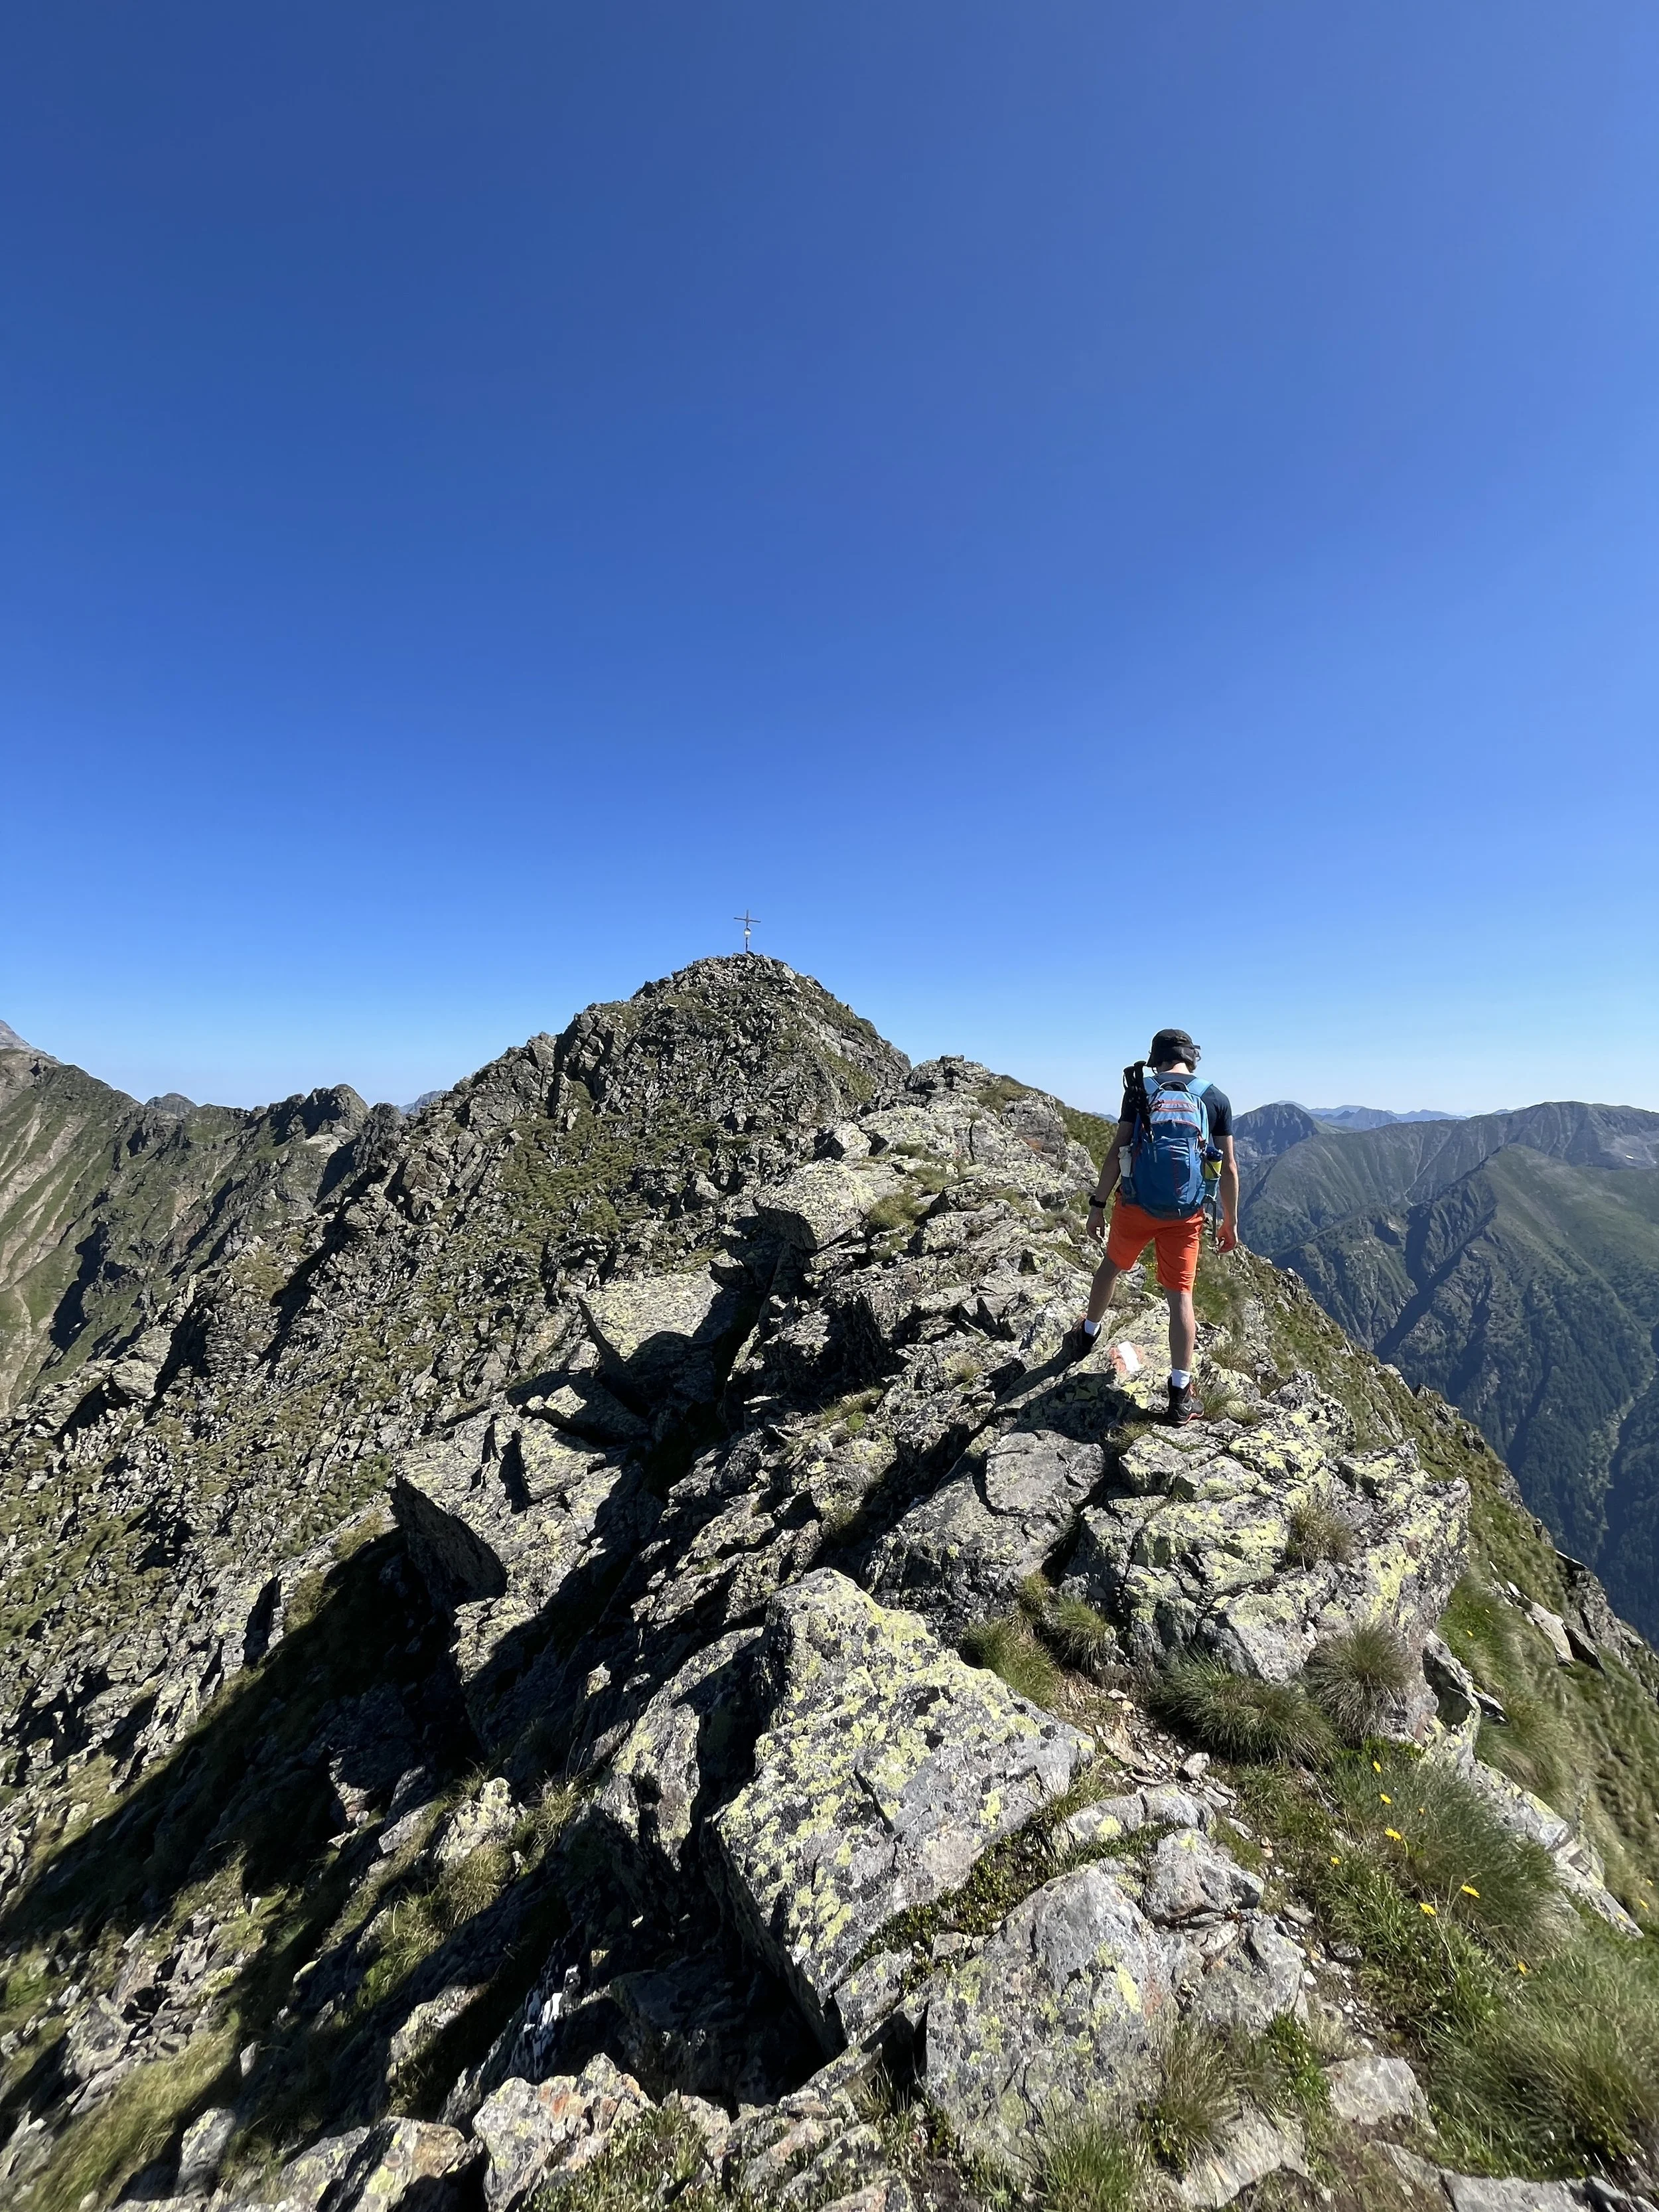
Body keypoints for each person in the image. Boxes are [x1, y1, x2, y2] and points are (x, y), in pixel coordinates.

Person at [1070, 1028, 1239, 1424]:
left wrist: (1098, 1205)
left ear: (1156, 1059)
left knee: (1111, 1267)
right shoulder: (1215, 1098)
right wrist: (1230, 1221)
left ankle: (1087, 1333)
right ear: (1191, 1057)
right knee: (1180, 1296)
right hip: (1186, 1214)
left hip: (1136, 1204)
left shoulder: (1140, 1090)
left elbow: (1118, 1150)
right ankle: (1180, 1394)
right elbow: (1229, 1167)